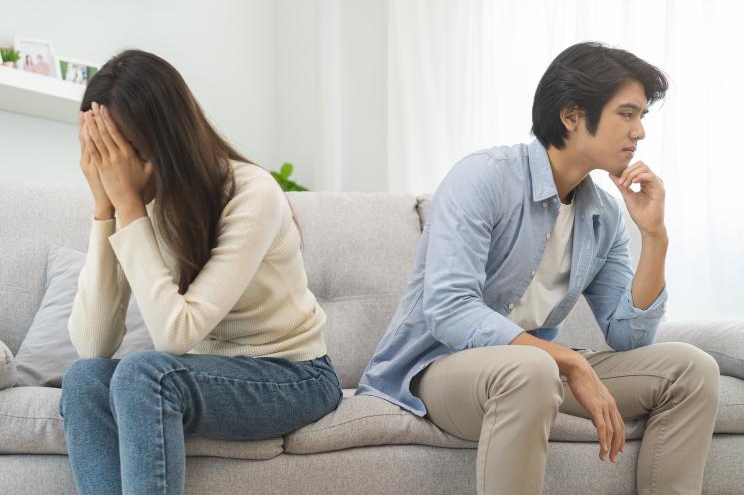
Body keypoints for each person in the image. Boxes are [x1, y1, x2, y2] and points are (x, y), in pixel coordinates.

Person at [356, 41, 720, 495]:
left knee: (692, 368)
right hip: (440, 369)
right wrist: (568, 360)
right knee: (531, 369)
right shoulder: (483, 178)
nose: (640, 131)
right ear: (571, 116)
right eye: (627, 114)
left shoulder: (603, 215)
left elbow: (630, 337)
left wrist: (655, 236)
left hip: (538, 373)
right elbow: (449, 309)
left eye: (642, 116)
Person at [59, 49, 343, 495]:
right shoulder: (136, 201)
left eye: (120, 150)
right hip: (204, 373)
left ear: (162, 140)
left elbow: (176, 336)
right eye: (101, 151)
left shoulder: (251, 192)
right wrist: (104, 210)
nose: (114, 166)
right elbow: (94, 343)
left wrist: (129, 207)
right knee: (83, 380)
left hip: (294, 376)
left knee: (144, 373)